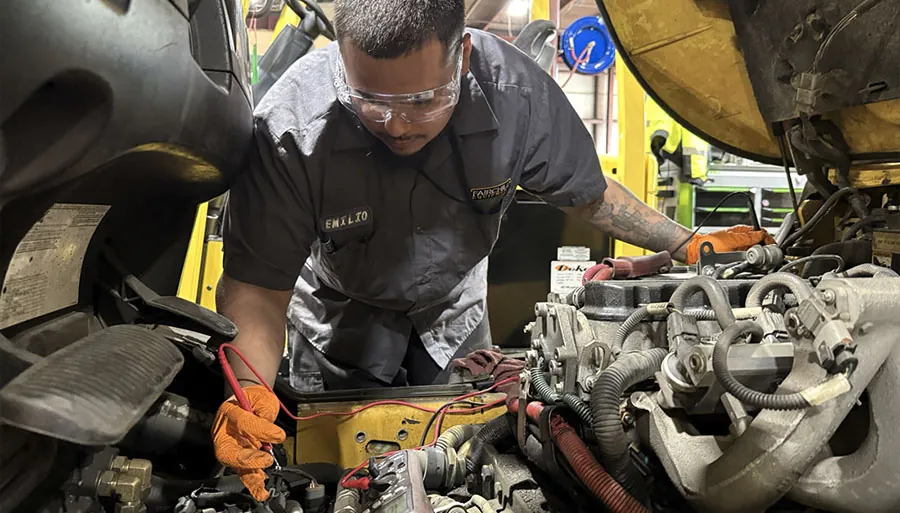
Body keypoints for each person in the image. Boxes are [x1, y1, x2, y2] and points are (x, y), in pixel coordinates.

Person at [211, 0, 773, 500]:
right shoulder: (290, 128)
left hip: (454, 324)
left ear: (462, 57)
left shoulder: (516, 96)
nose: (396, 124)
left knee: (473, 464)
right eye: (371, 100)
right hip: (338, 329)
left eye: (422, 100)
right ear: (343, 57)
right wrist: (249, 394)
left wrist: (685, 242)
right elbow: (257, 289)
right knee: (329, 478)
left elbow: (589, 195)